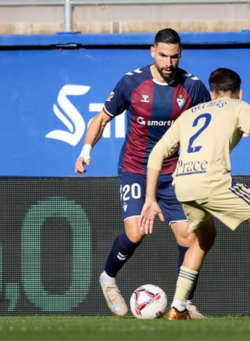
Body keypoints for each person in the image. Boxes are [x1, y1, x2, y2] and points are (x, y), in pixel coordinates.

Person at [139, 68, 250, 320]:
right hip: (212, 182)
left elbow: (156, 153)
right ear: (239, 92)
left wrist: (150, 199)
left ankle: (178, 307)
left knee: (203, 238)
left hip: (184, 185)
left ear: (212, 94)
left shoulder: (188, 114)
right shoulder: (239, 106)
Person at [75, 28, 211, 318]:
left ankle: (182, 304)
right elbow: (101, 118)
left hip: (174, 171)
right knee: (135, 232)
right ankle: (108, 278)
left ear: (181, 54)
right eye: (163, 55)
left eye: (174, 56)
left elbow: (209, 127)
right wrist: (86, 149)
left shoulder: (193, 87)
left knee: (188, 237)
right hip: (136, 168)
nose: (168, 62)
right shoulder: (131, 83)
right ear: (152, 51)